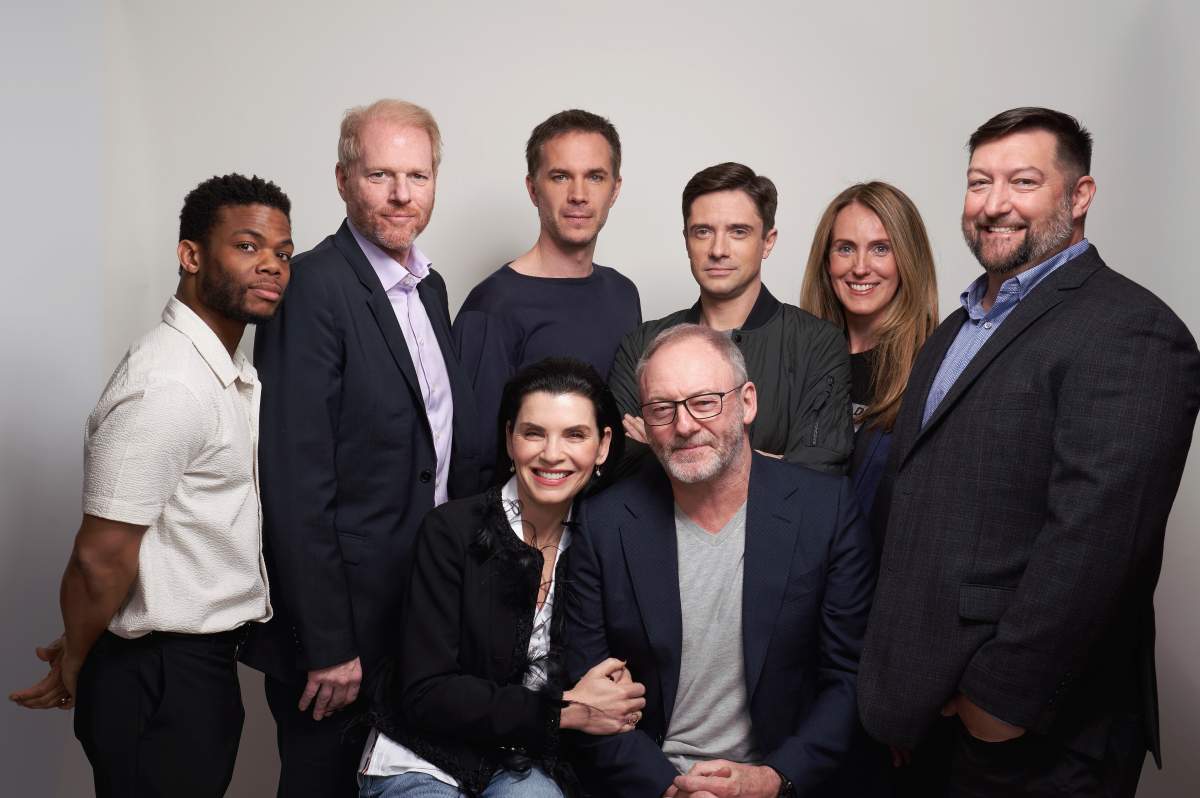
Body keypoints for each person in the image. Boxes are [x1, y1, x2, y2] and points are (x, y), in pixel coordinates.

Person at [858, 107, 1200, 797]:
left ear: (1079, 197)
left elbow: (1099, 543)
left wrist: (997, 706)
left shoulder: (1131, 330)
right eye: (979, 181)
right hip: (926, 719)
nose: (994, 204)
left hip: (1034, 735)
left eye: (1022, 181)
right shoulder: (954, 329)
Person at [9, 174, 293, 797]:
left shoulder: (221, 369)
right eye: (247, 247)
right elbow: (100, 556)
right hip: (156, 676)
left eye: (282, 252)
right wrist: (81, 657)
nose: (271, 265)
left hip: (187, 667)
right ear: (191, 256)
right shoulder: (169, 385)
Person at [240, 99, 484, 798]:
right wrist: (327, 642)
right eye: (381, 175)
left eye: (417, 174)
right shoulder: (312, 286)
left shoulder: (429, 288)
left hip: (420, 623)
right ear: (343, 179)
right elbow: (292, 479)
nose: (402, 194)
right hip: (340, 638)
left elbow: (433, 453)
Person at [566, 323, 876, 797]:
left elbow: (848, 677)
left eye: (705, 401)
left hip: (778, 779)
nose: (684, 425)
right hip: (650, 782)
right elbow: (589, 690)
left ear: (747, 401)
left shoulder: (824, 510)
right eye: (662, 409)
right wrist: (670, 788)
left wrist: (772, 779)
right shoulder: (604, 523)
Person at [359, 358, 645, 797]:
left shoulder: (604, 539)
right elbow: (426, 694)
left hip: (525, 759)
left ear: (603, 445)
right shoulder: (450, 530)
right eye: (534, 433)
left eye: (575, 434)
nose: (552, 453)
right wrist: (563, 711)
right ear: (510, 439)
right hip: (423, 754)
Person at [608, 162, 851, 474]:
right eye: (703, 232)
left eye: (738, 232)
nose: (718, 249)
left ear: (768, 241)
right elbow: (614, 462)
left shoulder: (818, 343)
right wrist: (770, 462)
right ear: (686, 240)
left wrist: (663, 451)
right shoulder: (641, 344)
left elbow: (821, 471)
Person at [455, 109, 641, 479]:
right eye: (560, 177)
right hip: (529, 527)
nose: (578, 195)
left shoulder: (623, 294)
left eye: (595, 177)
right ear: (532, 188)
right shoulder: (493, 306)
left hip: (611, 522)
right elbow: (472, 461)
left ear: (615, 189)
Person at [799, 181, 939, 523]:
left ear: (908, 258)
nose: (860, 267)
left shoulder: (935, 367)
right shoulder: (799, 355)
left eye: (881, 249)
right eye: (845, 248)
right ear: (826, 261)